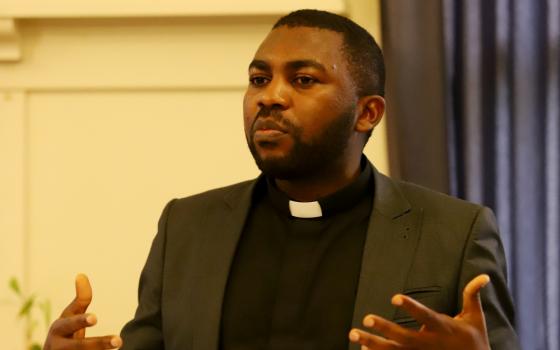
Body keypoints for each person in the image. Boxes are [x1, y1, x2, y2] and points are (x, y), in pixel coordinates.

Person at [43, 9, 520, 350]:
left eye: (304, 79)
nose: (269, 97)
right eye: (258, 79)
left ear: (367, 113)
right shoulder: (186, 226)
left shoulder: (454, 232)